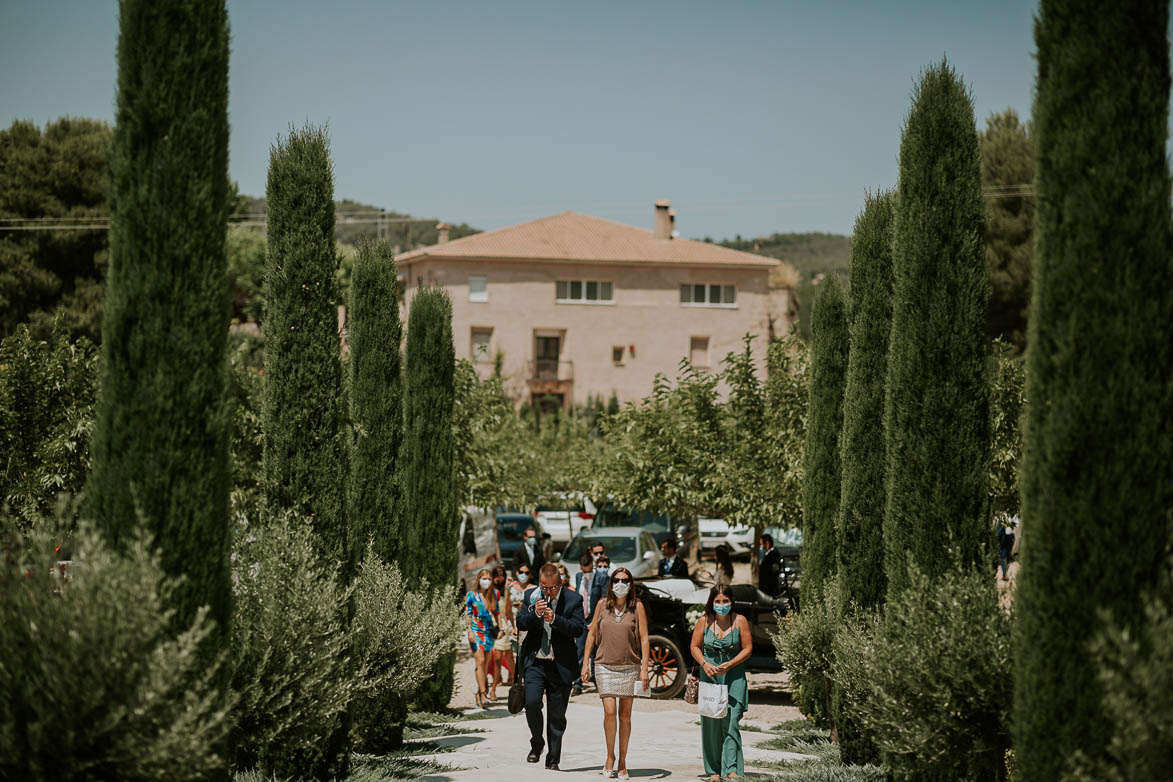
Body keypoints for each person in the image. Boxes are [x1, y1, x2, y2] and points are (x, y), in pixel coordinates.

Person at [580, 567, 650, 779]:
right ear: (611, 583)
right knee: (609, 712)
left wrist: (645, 668)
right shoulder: (602, 604)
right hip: (604, 665)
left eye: (625, 580)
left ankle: (622, 761)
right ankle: (609, 756)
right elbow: (591, 635)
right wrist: (585, 663)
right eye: (617, 580)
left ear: (631, 584)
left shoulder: (637, 606)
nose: (621, 583)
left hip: (630, 666)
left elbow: (645, 638)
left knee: (625, 715)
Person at [518, 563, 586, 771]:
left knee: (556, 716)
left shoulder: (574, 599)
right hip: (535, 662)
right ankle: (537, 743)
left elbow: (578, 629)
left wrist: (556, 619)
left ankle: (553, 759)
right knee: (531, 703)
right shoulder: (531, 595)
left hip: (560, 665)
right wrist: (535, 615)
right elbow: (521, 623)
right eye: (544, 587)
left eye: (553, 588)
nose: (548, 592)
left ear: (561, 583)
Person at [690, 584, 752, 781]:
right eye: (718, 601)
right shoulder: (704, 621)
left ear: (731, 602)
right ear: (712, 602)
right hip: (710, 675)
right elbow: (694, 646)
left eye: (725, 601)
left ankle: (732, 769)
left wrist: (731, 663)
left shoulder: (740, 621)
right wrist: (705, 664)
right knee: (711, 724)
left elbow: (748, 648)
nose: (722, 605)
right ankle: (714, 771)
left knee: (732, 721)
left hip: (733, 675)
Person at [465, 568, 498, 709]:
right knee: (480, 661)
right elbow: (468, 613)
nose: (486, 581)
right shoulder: (471, 595)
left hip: (488, 630)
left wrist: (500, 629)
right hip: (476, 629)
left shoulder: (493, 595)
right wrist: (469, 631)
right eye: (484, 578)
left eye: (489, 579)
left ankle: (479, 693)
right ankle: (484, 693)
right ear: (478, 579)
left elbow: (497, 612)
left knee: (485, 664)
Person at [488, 565, 515, 699]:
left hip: (503, 627)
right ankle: (517, 680)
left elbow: (508, 610)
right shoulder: (488, 591)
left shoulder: (506, 591)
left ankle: (493, 689)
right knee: (508, 656)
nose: (499, 578)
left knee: (499, 657)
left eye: (501, 575)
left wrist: (514, 626)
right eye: (497, 575)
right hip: (489, 626)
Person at [572, 553, 596, 695]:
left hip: (595, 620)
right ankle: (577, 683)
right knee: (579, 652)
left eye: (589, 570)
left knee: (596, 652)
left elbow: (603, 599)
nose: (587, 573)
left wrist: (594, 621)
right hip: (582, 620)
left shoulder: (600, 577)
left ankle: (597, 680)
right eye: (584, 570)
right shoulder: (578, 577)